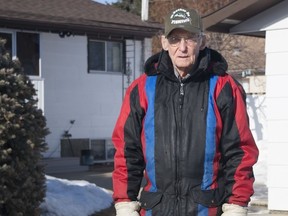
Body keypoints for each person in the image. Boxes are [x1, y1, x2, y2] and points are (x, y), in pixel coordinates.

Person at [112, 7, 259, 216]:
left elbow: (240, 150)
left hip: (207, 209)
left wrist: (236, 205)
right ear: (164, 43)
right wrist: (125, 203)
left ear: (202, 41)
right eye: (174, 39)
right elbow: (127, 150)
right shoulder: (142, 88)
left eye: (189, 38)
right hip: (155, 208)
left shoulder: (223, 87)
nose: (182, 47)